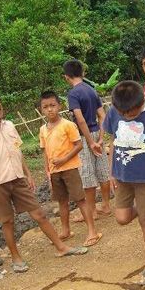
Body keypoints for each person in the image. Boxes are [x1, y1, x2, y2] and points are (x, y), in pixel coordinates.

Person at [0, 87, 88, 273]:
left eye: (0, 109)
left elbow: (18, 150)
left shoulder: (9, 126)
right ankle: (16, 258)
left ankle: (61, 247)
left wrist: (28, 173)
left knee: (39, 214)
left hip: (18, 179)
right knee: (7, 221)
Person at [103, 81, 145, 285]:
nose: (126, 116)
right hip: (121, 175)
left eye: (130, 113)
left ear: (141, 103)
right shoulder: (114, 112)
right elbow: (113, 141)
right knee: (121, 218)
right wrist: (111, 172)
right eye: (123, 113)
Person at [38, 91, 102, 247]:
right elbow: (44, 151)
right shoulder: (42, 130)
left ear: (59, 106)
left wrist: (64, 159)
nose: (50, 110)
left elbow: (79, 145)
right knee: (62, 202)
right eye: (45, 107)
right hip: (54, 172)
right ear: (41, 110)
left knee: (80, 199)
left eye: (53, 105)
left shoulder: (68, 125)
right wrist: (48, 170)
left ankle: (92, 231)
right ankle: (66, 230)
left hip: (70, 168)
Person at [63, 59, 112, 222]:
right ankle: (106, 205)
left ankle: (91, 211)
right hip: (97, 134)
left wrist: (90, 142)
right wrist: (100, 138)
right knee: (103, 172)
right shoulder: (92, 90)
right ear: (82, 73)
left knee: (88, 176)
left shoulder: (73, 94)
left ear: (66, 77)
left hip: (84, 138)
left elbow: (80, 120)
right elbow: (103, 116)